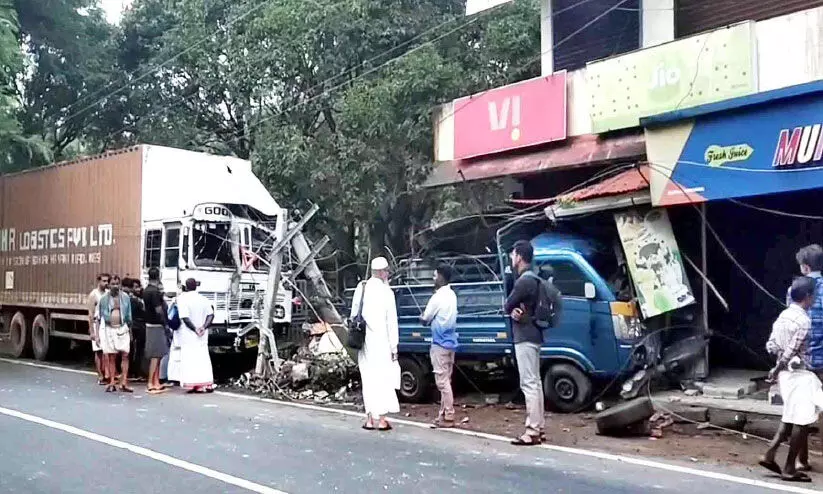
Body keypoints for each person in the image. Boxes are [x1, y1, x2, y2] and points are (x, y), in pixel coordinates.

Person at [761, 276, 823, 482]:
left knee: (790, 415)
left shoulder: (783, 315)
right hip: (798, 376)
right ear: (807, 297)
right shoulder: (804, 320)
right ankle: (789, 467)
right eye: (813, 295)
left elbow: (771, 345)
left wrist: (778, 366)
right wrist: (778, 366)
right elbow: (791, 351)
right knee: (802, 420)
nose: (815, 298)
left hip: (786, 376)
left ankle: (769, 454)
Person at [504, 240, 550, 446]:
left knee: (529, 383)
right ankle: (538, 427)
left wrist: (511, 310)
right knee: (536, 383)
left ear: (520, 257)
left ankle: (531, 431)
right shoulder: (536, 279)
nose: (511, 258)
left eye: (513, 254)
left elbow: (507, 304)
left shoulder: (523, 281)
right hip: (535, 334)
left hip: (524, 336)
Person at [351, 257, 400, 431]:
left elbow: (353, 313)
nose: (388, 274)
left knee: (368, 379)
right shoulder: (387, 293)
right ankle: (382, 420)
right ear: (381, 272)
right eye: (386, 271)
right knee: (383, 380)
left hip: (365, 342)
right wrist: (394, 348)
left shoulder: (361, 287)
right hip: (383, 343)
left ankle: (370, 419)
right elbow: (391, 323)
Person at [420, 263, 458, 429]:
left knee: (442, 382)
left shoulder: (437, 297)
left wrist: (421, 318)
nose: (433, 278)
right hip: (451, 343)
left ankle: (448, 415)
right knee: (446, 381)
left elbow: (426, 318)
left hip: (439, 343)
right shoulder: (452, 295)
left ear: (441, 277)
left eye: (435, 275)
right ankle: (443, 415)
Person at [176, 278, 215, 393]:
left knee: (189, 359)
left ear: (186, 287)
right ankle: (205, 383)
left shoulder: (182, 299)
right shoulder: (204, 299)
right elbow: (211, 315)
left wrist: (195, 329)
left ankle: (193, 384)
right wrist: (204, 327)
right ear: (196, 287)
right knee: (203, 358)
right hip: (202, 335)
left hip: (189, 336)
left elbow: (185, 318)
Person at [98, 276, 133, 393]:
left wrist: (129, 327)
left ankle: (124, 382)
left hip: (123, 328)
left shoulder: (125, 297)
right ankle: (112, 382)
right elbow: (103, 315)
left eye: (117, 284)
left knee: (125, 355)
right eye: (113, 284)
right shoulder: (104, 299)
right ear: (109, 285)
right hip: (110, 329)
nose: (115, 286)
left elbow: (129, 315)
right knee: (112, 356)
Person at [143, 267, 169, 394]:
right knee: (155, 355)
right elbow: (159, 310)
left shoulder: (146, 290)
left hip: (149, 324)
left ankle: (156, 381)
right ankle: (150, 382)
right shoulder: (154, 292)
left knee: (158, 354)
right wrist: (165, 323)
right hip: (156, 325)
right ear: (158, 276)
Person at [87, 273, 109, 385]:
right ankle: (100, 375)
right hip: (96, 324)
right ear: (99, 281)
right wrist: (91, 331)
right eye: (104, 281)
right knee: (98, 351)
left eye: (107, 281)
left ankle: (107, 374)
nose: (106, 283)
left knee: (106, 351)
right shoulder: (93, 295)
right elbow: (90, 314)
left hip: (105, 325)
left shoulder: (107, 294)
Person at [129, 279, 147, 381]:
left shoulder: (140, 298)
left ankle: (137, 370)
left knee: (140, 350)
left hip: (141, 325)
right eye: (136, 287)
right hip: (135, 325)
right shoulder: (132, 300)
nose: (138, 289)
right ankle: (134, 371)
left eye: (139, 287)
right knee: (133, 349)